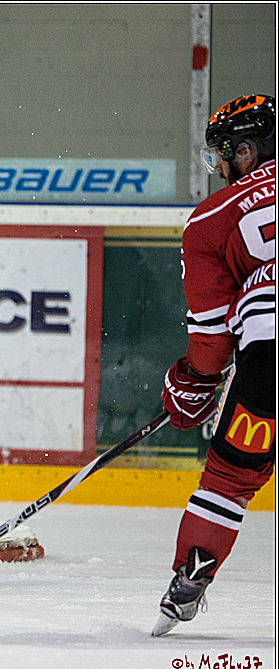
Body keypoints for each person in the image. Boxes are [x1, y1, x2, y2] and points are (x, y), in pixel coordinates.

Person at [153, 94, 275, 636]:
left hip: (269, 353)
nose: (218, 169)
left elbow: (210, 339)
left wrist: (193, 382)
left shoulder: (213, 218)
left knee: (230, 477)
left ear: (245, 153)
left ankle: (188, 581)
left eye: (220, 156)